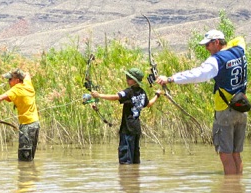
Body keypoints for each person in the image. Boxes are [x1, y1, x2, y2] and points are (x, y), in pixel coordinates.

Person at [156, 30, 247, 175]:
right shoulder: (239, 50)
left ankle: (230, 191)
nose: (206, 48)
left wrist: (171, 79)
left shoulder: (216, 60)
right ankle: (238, 190)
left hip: (225, 111)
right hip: (241, 109)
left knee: (226, 154)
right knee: (236, 154)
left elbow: (196, 75)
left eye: (208, 44)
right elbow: (240, 38)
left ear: (217, 42)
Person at [91, 68, 160, 164]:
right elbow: (149, 104)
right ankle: (135, 176)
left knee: (125, 158)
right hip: (136, 129)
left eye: (128, 77)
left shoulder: (128, 92)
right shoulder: (142, 92)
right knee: (135, 158)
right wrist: (157, 95)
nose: (126, 79)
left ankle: (126, 177)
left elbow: (116, 97)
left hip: (127, 129)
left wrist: (99, 95)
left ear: (134, 80)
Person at [0, 68, 40, 161]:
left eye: (10, 79)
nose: (8, 81)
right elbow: (27, 74)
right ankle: (32, 174)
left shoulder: (16, 89)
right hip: (35, 124)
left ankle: (26, 175)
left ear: (17, 80)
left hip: (27, 127)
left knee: (24, 160)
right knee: (29, 158)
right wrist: (20, 74)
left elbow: (0, 97)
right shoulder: (27, 83)